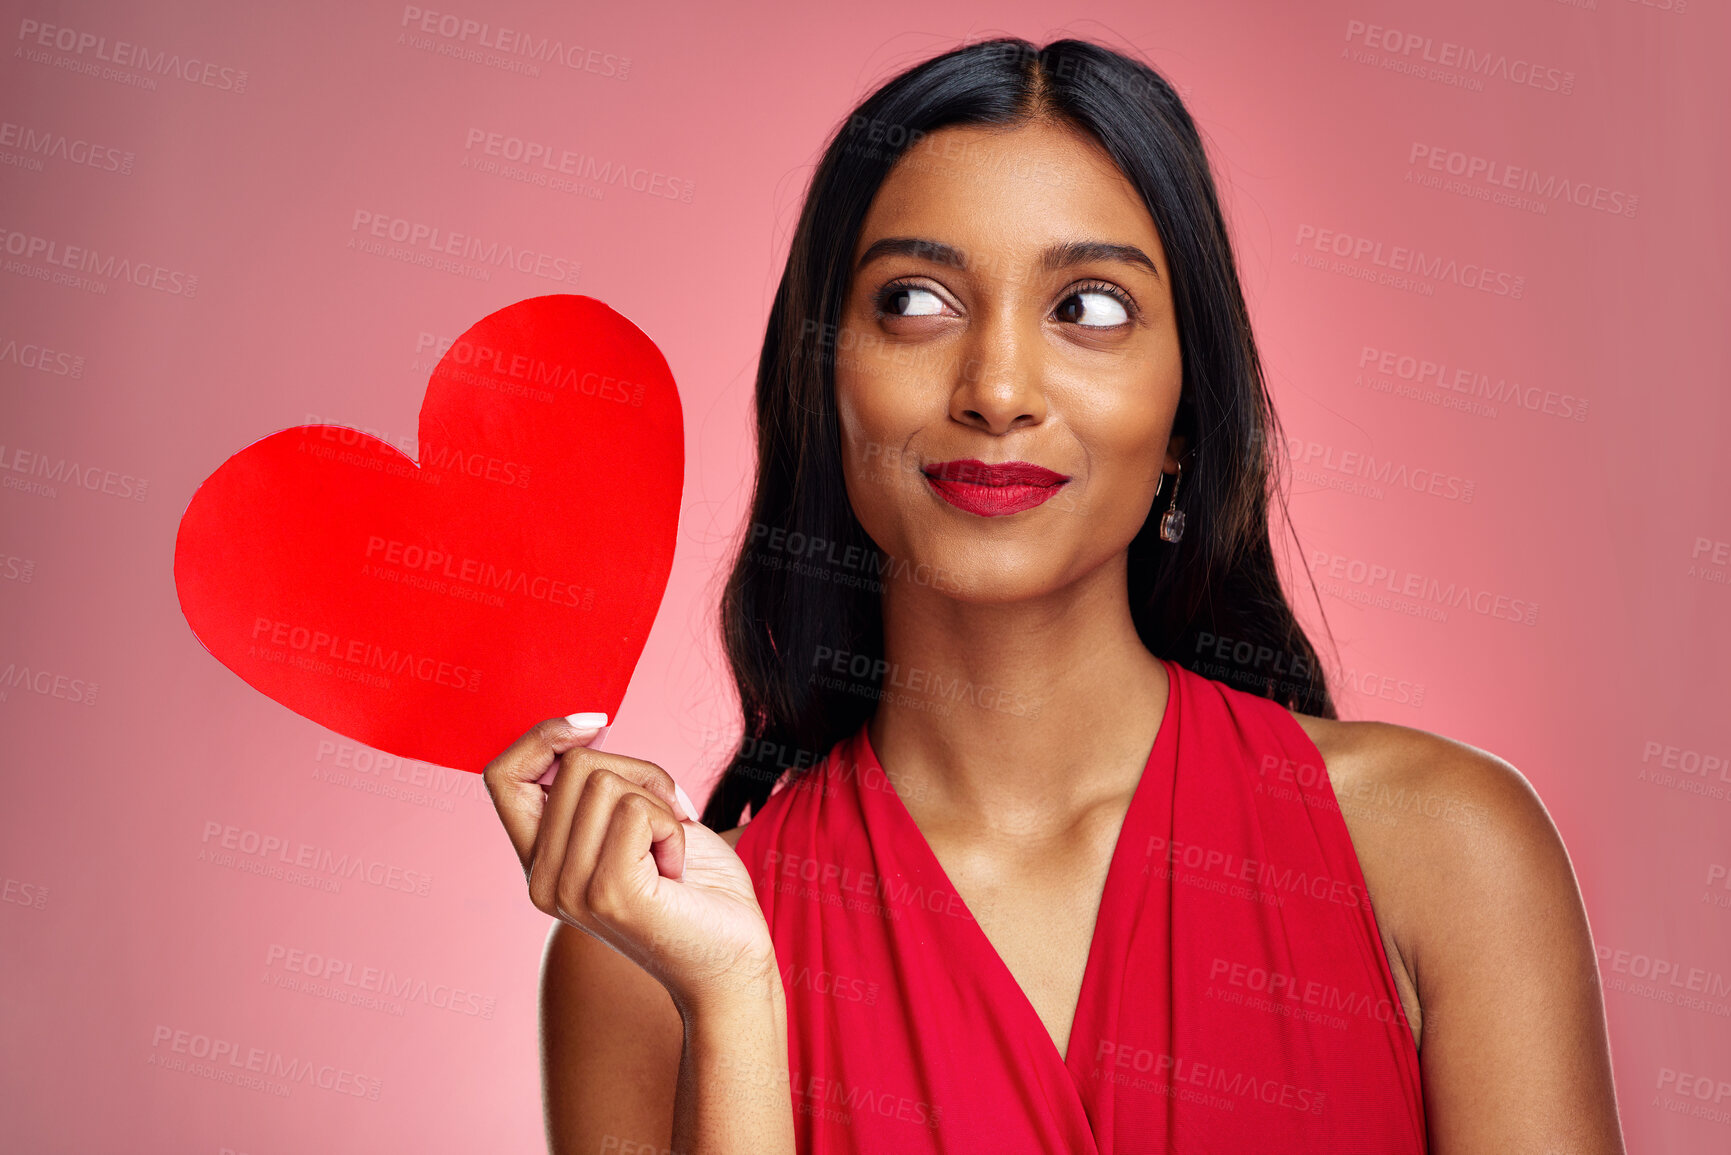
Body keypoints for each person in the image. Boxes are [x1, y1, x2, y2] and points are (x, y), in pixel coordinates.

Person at [484, 37, 1625, 1154]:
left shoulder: (1448, 852)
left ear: (1187, 411)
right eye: (917, 301)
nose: (997, 389)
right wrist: (734, 997)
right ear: (824, 377)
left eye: (1089, 309)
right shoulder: (646, 950)